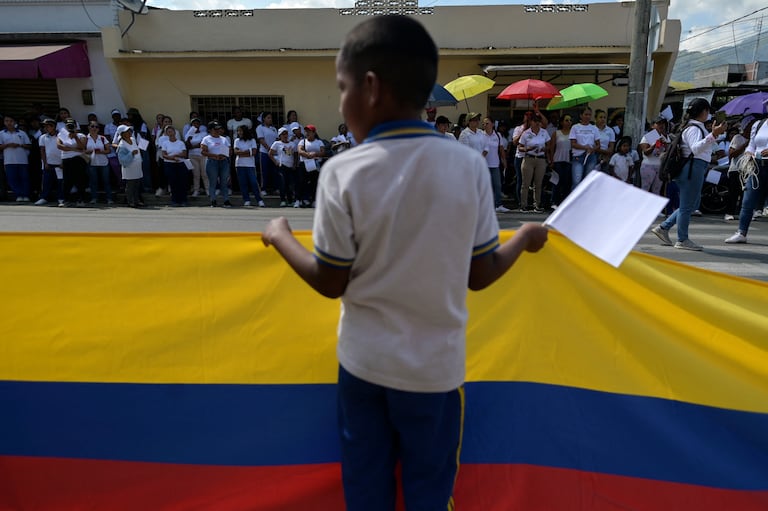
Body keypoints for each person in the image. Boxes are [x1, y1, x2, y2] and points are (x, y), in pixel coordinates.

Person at [261, 15, 548, 511]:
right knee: (430, 492)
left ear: (370, 88)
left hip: (364, 369)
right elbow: (480, 275)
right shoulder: (467, 165)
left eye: (341, 88)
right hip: (436, 376)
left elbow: (331, 282)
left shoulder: (342, 172)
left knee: (367, 490)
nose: (340, 102)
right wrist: (521, 238)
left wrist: (280, 235)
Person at [651, 98, 725, 251]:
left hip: (695, 167)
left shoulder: (695, 127)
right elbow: (696, 148)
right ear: (703, 111)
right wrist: (713, 135)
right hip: (692, 168)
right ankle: (682, 239)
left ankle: (664, 227)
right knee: (687, 206)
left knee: (691, 204)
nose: (709, 114)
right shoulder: (694, 128)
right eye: (708, 111)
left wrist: (713, 135)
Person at [724, 118, 768, 244]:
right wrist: (749, 152)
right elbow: (752, 144)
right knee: (748, 199)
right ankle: (741, 232)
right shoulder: (759, 124)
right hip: (757, 165)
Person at [518, 113, 551, 212]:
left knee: (538, 183)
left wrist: (543, 149)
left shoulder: (544, 132)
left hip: (540, 158)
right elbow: (519, 147)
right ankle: (523, 205)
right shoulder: (526, 133)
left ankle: (537, 205)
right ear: (531, 122)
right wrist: (527, 148)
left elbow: (549, 145)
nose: (537, 123)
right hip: (529, 158)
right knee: (526, 183)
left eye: (538, 121)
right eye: (535, 121)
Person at [57, 118, 89, 206]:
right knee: (67, 180)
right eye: (68, 126)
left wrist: (75, 137)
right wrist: (73, 149)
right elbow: (59, 146)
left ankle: (81, 199)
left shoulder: (81, 135)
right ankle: (66, 200)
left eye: (72, 126)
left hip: (78, 159)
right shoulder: (61, 134)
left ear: (75, 126)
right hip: (66, 159)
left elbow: (82, 146)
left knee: (79, 179)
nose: (70, 127)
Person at [480, 117, 510, 213]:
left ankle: (498, 204)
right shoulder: (480, 134)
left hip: (495, 164)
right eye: (484, 124)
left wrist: (504, 160)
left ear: (492, 124)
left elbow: (501, 149)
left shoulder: (497, 135)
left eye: (487, 123)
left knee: (497, 185)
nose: (485, 125)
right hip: (484, 164)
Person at [0, 114, 32, 202]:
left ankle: (26, 195)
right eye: (6, 121)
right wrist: (7, 145)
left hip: (23, 160)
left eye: (10, 121)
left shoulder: (22, 133)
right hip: (9, 160)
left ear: (15, 122)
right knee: (12, 179)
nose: (9, 123)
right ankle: (18, 195)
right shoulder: (1, 134)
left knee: (24, 178)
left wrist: (20, 145)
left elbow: (29, 145)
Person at [201, 121, 232, 208]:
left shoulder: (224, 139)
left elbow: (229, 150)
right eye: (216, 129)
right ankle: (213, 200)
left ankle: (226, 200)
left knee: (224, 182)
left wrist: (225, 155)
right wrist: (214, 156)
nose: (218, 130)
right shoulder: (206, 139)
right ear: (210, 130)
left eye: (219, 129)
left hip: (223, 161)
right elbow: (203, 151)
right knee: (213, 182)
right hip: (212, 162)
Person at [570, 106, 600, 189]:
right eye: (586, 114)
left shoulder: (594, 128)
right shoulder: (575, 127)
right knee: (577, 181)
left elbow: (598, 144)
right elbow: (573, 144)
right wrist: (585, 147)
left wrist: (592, 149)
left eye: (589, 115)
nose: (588, 117)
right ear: (581, 115)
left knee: (588, 181)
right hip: (578, 157)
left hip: (590, 156)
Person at [637, 117, 670, 196]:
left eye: (663, 123)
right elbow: (646, 152)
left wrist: (665, 144)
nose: (661, 125)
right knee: (645, 190)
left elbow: (669, 152)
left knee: (657, 191)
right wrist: (654, 144)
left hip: (660, 167)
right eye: (658, 123)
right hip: (648, 165)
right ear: (652, 126)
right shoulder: (650, 136)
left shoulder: (665, 137)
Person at [37, 118, 65, 206]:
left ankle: (61, 198)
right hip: (48, 163)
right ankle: (44, 197)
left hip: (59, 163)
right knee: (46, 182)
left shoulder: (61, 136)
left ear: (53, 127)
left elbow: (65, 149)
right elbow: (42, 151)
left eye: (48, 126)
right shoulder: (43, 137)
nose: (45, 128)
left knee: (60, 182)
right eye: (44, 126)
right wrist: (45, 163)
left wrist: (63, 162)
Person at [159, 125, 189, 206]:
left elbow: (184, 154)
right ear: (166, 133)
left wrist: (177, 156)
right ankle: (174, 200)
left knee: (182, 182)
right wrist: (172, 158)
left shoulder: (180, 142)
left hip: (180, 164)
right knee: (173, 182)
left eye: (171, 131)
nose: (170, 133)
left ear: (174, 132)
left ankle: (183, 200)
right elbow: (164, 155)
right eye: (168, 132)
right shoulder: (165, 143)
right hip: (169, 164)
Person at [85, 121, 113, 204]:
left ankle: (109, 198)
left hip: (103, 162)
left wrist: (100, 151)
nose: (94, 128)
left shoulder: (102, 138)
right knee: (93, 181)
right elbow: (82, 150)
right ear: (89, 127)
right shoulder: (85, 138)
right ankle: (94, 198)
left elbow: (109, 150)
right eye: (92, 126)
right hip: (92, 163)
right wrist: (92, 151)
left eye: (96, 127)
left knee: (106, 181)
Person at [296, 124, 324, 207]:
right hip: (304, 164)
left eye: (309, 131)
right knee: (301, 182)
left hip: (315, 165)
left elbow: (323, 152)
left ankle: (314, 200)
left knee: (314, 183)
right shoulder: (302, 141)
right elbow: (300, 151)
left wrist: (315, 154)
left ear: (314, 133)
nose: (307, 133)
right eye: (306, 131)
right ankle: (299, 200)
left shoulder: (319, 142)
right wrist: (308, 155)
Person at [236, 125, 264, 207]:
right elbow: (236, 152)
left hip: (250, 165)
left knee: (253, 182)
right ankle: (246, 200)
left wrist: (243, 152)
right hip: (239, 164)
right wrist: (248, 152)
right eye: (238, 131)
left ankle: (259, 200)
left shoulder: (252, 140)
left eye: (241, 131)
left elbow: (254, 152)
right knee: (243, 183)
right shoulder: (237, 140)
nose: (239, 133)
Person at [116, 125, 143, 208]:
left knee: (137, 185)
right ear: (123, 134)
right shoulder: (122, 146)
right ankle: (130, 201)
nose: (129, 132)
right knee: (130, 186)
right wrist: (131, 153)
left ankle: (136, 200)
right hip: (129, 168)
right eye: (127, 131)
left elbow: (140, 146)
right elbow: (122, 159)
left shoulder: (133, 140)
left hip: (137, 167)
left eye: (129, 131)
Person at [549, 114, 573, 208]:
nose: (568, 122)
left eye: (570, 120)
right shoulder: (556, 133)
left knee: (566, 182)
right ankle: (554, 202)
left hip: (568, 160)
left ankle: (564, 202)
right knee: (557, 181)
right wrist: (551, 160)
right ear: (562, 122)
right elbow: (552, 147)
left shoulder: (573, 133)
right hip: (558, 159)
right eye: (566, 120)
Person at [185, 117, 208, 197]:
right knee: (196, 174)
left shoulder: (204, 133)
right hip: (192, 155)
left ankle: (207, 189)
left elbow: (202, 145)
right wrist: (189, 137)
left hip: (202, 155)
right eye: (194, 124)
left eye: (197, 123)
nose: (195, 125)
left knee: (204, 173)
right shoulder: (188, 133)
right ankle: (196, 190)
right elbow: (188, 146)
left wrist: (194, 145)